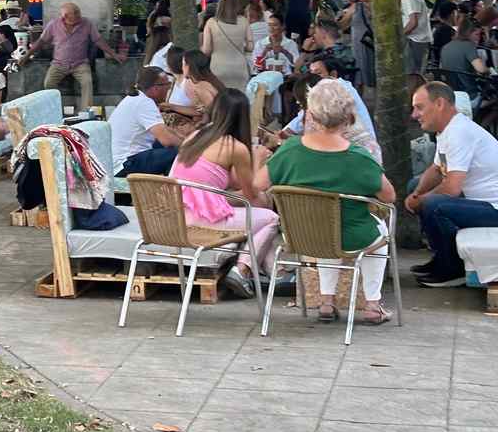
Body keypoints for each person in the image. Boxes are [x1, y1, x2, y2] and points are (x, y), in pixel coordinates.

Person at [256, 79, 396, 324]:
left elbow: (258, 185)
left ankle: (326, 302)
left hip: (301, 235)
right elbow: (389, 196)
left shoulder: (289, 150)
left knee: (324, 226)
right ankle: (373, 304)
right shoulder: (359, 157)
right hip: (353, 236)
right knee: (377, 232)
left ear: (310, 114)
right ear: (349, 117)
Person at [406, 81, 498, 287]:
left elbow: (451, 188)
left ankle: (454, 269)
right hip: (478, 202)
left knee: (434, 205)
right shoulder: (447, 130)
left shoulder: (459, 132)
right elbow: (435, 170)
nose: (414, 115)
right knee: (416, 188)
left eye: (419, 107)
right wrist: (416, 194)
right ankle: (441, 259)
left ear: (440, 103)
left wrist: (421, 201)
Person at [169, 89, 281, 299]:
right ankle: (243, 269)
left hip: (177, 214)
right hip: (200, 221)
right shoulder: (235, 147)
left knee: (256, 216)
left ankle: (270, 273)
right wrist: (258, 159)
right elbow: (250, 195)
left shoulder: (196, 136)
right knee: (270, 219)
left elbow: (222, 178)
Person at [21, 2, 125, 111]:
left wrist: (114, 55)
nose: (79, 15)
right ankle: (55, 110)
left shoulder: (87, 23)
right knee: (48, 83)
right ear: (65, 16)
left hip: (80, 64)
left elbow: (98, 40)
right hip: (58, 64)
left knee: (87, 83)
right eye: (75, 13)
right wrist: (27, 56)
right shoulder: (53, 25)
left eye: (78, 12)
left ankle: (86, 113)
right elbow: (41, 41)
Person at [282, 52, 380, 162]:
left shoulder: (337, 91)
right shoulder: (324, 93)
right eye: (311, 73)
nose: (313, 78)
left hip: (360, 157)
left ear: (333, 75)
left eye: (318, 74)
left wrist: (283, 137)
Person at [108, 66, 186, 176]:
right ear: (155, 88)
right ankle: (170, 191)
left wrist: (186, 140)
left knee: (168, 146)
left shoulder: (136, 98)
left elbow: (165, 130)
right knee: (178, 154)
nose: (169, 89)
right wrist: (190, 146)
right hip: (125, 163)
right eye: (167, 86)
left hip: (120, 161)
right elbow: (167, 139)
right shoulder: (145, 103)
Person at [200, 0, 251, 86]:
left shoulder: (211, 22)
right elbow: (250, 47)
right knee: (240, 99)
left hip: (218, 68)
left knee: (220, 99)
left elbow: (207, 50)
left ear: (220, 3)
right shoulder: (244, 21)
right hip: (239, 68)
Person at [397, 0, 433, 86]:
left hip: (416, 41)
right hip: (415, 40)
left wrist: (399, 36)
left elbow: (413, 22)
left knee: (414, 76)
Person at [340, 0, 375, 89]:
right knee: (360, 74)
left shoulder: (378, 6)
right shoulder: (356, 7)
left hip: (372, 45)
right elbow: (342, 25)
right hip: (361, 45)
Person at [179, 50, 224, 115]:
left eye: (183, 64)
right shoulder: (210, 79)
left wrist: (205, 111)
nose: (182, 67)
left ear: (189, 66)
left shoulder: (201, 86)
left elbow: (215, 112)